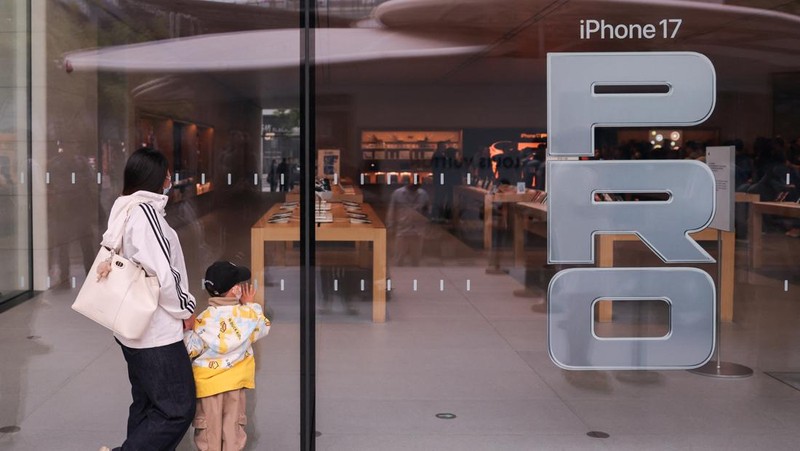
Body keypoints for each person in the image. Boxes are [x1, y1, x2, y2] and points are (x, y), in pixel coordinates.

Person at [99, 147, 197, 451]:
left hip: (131, 324)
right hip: (155, 330)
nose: (170, 177)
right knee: (176, 409)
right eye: (166, 171)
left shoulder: (125, 207)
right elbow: (163, 274)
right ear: (157, 177)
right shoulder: (144, 211)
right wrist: (186, 308)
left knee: (146, 404)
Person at [184, 261, 271, 451]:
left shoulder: (203, 320)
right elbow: (263, 327)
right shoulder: (247, 316)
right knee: (233, 431)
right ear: (235, 291)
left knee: (209, 433)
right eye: (239, 284)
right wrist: (251, 305)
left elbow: (191, 348)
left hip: (208, 387)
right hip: (235, 385)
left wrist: (188, 330)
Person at [387, 181, 431, 266]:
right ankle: (399, 277)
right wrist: (390, 226)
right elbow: (391, 210)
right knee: (399, 258)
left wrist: (426, 225)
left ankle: (415, 277)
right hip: (402, 229)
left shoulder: (423, 194)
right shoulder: (398, 193)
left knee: (416, 259)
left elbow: (427, 211)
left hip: (418, 231)